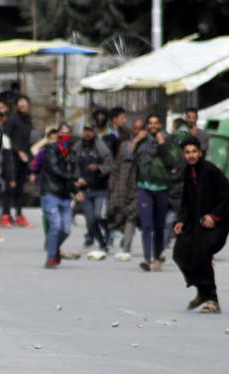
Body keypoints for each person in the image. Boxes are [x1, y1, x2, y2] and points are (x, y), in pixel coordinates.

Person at [172, 137, 229, 314]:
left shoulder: (209, 170)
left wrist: (214, 216)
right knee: (180, 253)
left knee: (202, 254)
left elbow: (227, 193)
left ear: (200, 152)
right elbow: (185, 201)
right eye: (187, 152)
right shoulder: (187, 173)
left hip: (214, 224)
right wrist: (181, 220)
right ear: (184, 155)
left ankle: (212, 299)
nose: (191, 156)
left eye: (193, 152)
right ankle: (201, 290)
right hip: (195, 224)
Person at [133, 113, 179, 272]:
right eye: (150, 123)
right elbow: (128, 156)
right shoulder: (142, 141)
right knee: (146, 225)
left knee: (159, 226)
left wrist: (162, 145)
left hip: (161, 188)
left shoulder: (168, 140)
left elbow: (172, 161)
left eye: (156, 123)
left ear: (160, 124)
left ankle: (157, 257)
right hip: (144, 187)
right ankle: (147, 259)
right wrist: (136, 140)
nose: (153, 126)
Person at [39, 123, 80, 269]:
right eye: (62, 132)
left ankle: (54, 248)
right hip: (51, 192)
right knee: (55, 226)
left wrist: (76, 190)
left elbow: (73, 171)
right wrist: (73, 177)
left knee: (66, 229)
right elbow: (54, 168)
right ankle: (50, 258)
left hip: (65, 195)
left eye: (67, 132)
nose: (65, 135)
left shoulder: (72, 152)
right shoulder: (51, 148)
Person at [73, 125, 114, 257]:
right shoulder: (77, 147)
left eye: (90, 131)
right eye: (85, 131)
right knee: (90, 221)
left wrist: (98, 167)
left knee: (99, 216)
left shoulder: (100, 146)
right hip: (85, 191)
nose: (87, 134)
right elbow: (72, 165)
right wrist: (76, 179)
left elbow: (109, 165)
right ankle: (102, 243)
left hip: (100, 189)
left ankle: (108, 231)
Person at [106, 119, 142, 261]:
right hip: (122, 186)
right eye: (135, 128)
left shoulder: (148, 146)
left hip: (139, 187)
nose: (137, 131)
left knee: (132, 216)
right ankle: (118, 238)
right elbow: (117, 166)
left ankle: (126, 247)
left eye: (140, 129)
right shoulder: (125, 146)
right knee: (118, 214)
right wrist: (112, 183)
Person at [1, 95, 33, 228]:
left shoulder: (28, 120)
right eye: (20, 103)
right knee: (10, 188)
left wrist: (29, 157)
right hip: (12, 158)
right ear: (17, 105)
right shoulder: (12, 120)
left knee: (20, 189)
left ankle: (19, 215)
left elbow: (27, 141)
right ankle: (5, 215)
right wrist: (18, 151)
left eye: (25, 103)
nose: (23, 105)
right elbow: (6, 138)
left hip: (24, 158)